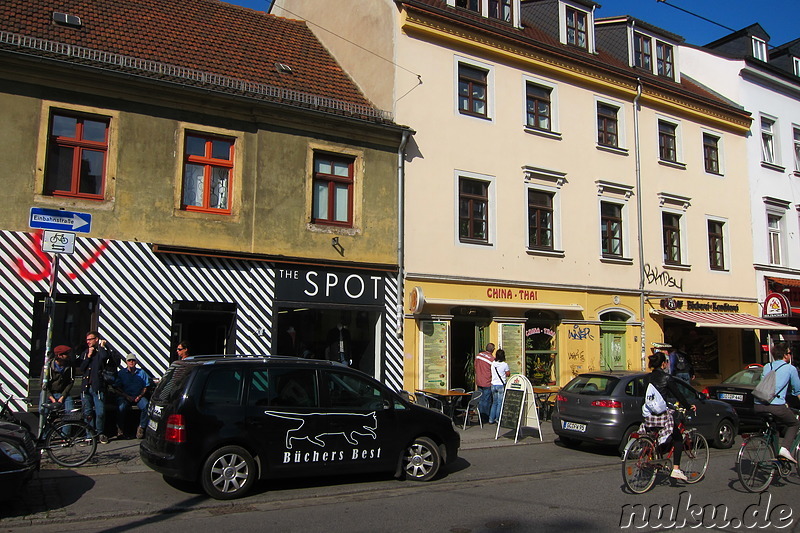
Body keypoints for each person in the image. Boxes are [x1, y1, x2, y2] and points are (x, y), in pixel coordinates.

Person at [643, 352, 696, 482]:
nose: (667, 364)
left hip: (649, 414)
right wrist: (688, 406)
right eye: (666, 362)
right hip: (662, 415)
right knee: (678, 438)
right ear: (663, 364)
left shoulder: (646, 378)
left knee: (655, 436)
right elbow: (678, 394)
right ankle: (676, 469)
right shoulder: (667, 377)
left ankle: (654, 459)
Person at [754, 343, 800, 463]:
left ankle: (777, 458)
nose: (790, 355)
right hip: (775, 406)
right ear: (785, 355)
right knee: (794, 424)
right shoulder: (790, 368)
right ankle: (784, 449)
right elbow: (797, 390)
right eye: (789, 353)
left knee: (774, 428)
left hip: (758, 405)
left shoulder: (767, 366)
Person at [79, 331, 121, 444]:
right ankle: (89, 435)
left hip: (98, 387)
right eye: (87, 340)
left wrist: (102, 347)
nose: (88, 342)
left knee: (100, 412)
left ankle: (100, 433)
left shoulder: (101, 352)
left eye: (90, 339)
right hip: (86, 387)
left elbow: (104, 358)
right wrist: (88, 356)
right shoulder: (85, 353)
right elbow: (82, 368)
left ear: (96, 339)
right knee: (87, 413)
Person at [113, 354, 151, 439]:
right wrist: (126, 396)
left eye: (133, 360)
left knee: (146, 405)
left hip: (138, 396)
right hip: (125, 396)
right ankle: (120, 429)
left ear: (136, 362)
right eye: (129, 360)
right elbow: (116, 388)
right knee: (121, 407)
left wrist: (140, 396)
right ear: (126, 362)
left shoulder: (142, 373)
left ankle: (141, 427)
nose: (131, 362)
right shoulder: (121, 373)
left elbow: (146, 387)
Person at [42, 345, 75, 412]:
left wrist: (62, 396)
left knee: (70, 410)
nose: (68, 356)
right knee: (43, 410)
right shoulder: (48, 366)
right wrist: (52, 399)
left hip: (62, 393)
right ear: (60, 355)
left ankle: (68, 422)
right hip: (49, 393)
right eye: (66, 354)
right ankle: (44, 421)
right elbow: (43, 384)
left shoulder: (70, 367)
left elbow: (70, 382)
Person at [474, 343, 495, 422]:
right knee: (486, 400)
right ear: (493, 350)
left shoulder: (479, 355)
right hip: (487, 382)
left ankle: (479, 415)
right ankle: (484, 417)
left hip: (479, 380)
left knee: (480, 399)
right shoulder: (492, 359)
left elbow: (475, 366)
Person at [488, 349, 510, 424]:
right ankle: (497, 418)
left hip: (493, 384)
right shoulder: (504, 364)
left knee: (494, 402)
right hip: (500, 385)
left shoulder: (493, 364)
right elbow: (508, 374)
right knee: (500, 403)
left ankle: (491, 419)